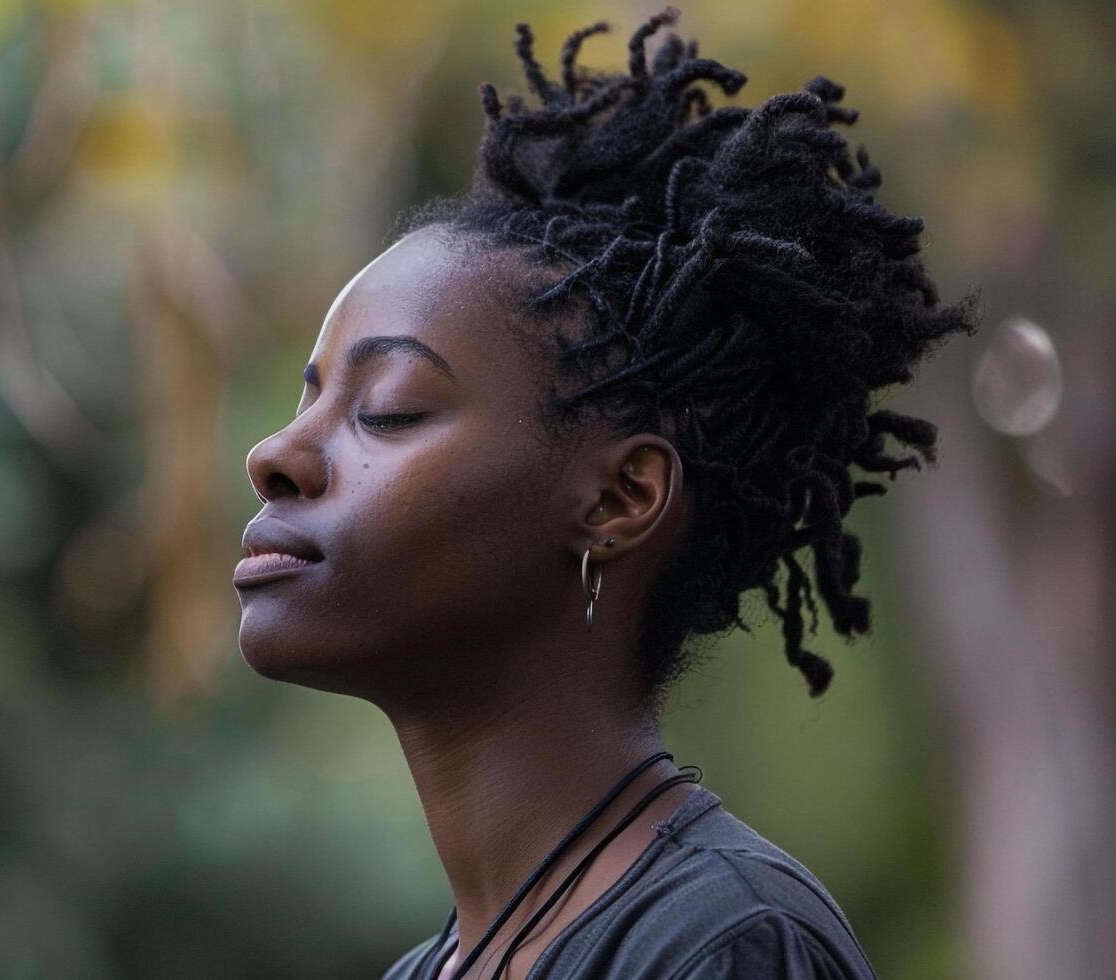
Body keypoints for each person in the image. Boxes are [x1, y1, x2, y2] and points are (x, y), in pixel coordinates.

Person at [232, 8, 976, 979]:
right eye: (309, 395)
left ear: (620, 498)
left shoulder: (725, 943)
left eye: (388, 407)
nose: (277, 453)